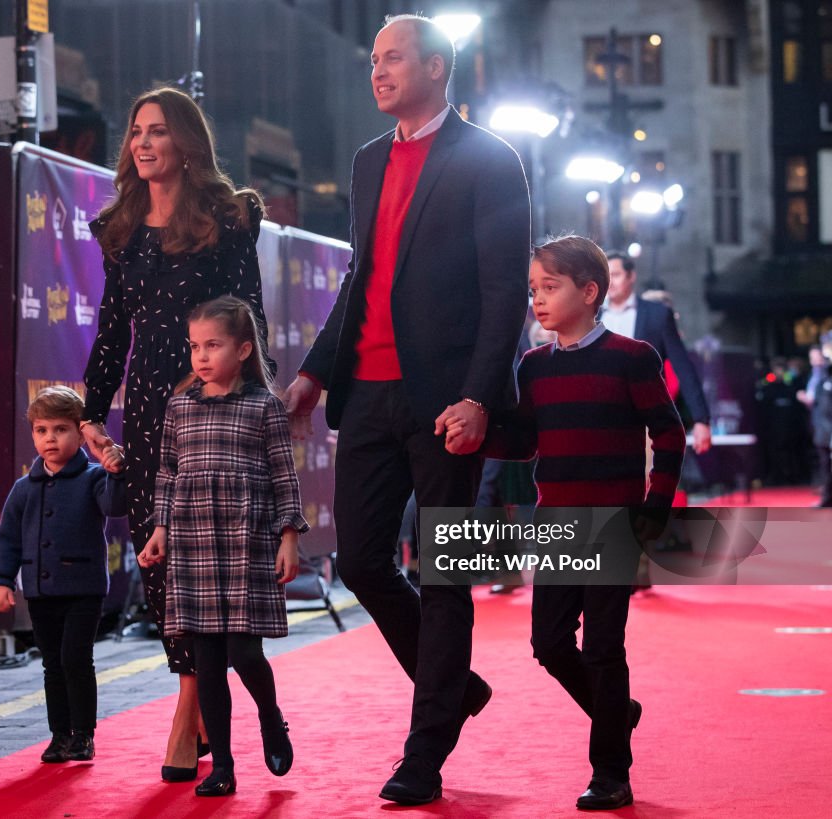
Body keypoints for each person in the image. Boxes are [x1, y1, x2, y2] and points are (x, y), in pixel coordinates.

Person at [283, 13, 531, 805]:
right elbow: (363, 276)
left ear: (435, 67)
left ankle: (424, 752)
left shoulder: (490, 160)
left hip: (447, 401)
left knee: (448, 574)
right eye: (374, 60)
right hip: (368, 391)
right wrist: (316, 374)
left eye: (393, 59)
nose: (377, 72)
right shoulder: (365, 163)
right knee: (360, 560)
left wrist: (480, 396)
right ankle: (453, 683)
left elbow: (503, 296)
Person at [445, 236, 684, 810]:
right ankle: (616, 712)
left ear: (590, 290)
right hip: (556, 523)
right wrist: (476, 439)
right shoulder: (534, 367)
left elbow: (668, 433)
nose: (538, 301)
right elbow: (526, 444)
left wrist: (655, 506)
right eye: (533, 290)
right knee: (550, 644)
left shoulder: (632, 357)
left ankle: (611, 773)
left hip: (614, 521)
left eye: (549, 288)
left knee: (603, 648)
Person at [79, 85, 274, 780]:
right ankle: (196, 696)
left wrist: (255, 406)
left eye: (156, 130)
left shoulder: (228, 219)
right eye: (135, 131)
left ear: (185, 142)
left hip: (212, 412)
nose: (142, 142)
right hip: (147, 416)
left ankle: (189, 706)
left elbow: (249, 320)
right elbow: (110, 335)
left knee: (202, 566)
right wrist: (89, 415)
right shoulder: (122, 228)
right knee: (160, 567)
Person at [138, 296, 308, 797]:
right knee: (206, 660)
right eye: (195, 346)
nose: (201, 356)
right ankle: (224, 766)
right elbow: (167, 473)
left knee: (243, 653)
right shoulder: (179, 406)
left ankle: (271, 717)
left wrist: (289, 537)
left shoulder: (264, 406)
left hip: (246, 540)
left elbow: (284, 476)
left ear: (243, 348)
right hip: (192, 543)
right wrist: (161, 529)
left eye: (213, 345)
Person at [0, 386, 127, 764]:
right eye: (41, 430)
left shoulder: (95, 478)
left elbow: (116, 507)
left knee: (74, 659)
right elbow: (8, 537)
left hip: (84, 589)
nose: (50, 438)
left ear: (80, 433)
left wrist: (116, 472)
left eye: (61, 429)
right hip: (40, 589)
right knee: (51, 662)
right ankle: (59, 735)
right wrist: (2, 580)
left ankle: (83, 734)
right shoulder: (23, 489)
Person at [602, 252, 711, 456]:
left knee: (643, 485)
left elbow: (683, 367)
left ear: (631, 276)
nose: (610, 282)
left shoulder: (657, 315)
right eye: (605, 276)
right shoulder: (591, 315)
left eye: (615, 275)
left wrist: (700, 419)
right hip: (598, 421)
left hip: (644, 420)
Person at [796, 343, 832, 505]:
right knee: (824, 462)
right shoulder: (815, 376)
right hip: (820, 425)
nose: (813, 361)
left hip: (827, 425)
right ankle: (827, 495)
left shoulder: (826, 374)